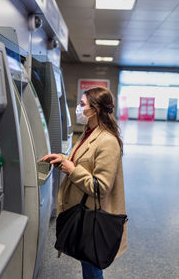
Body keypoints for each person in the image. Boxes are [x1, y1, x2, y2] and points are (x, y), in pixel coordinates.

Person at [41, 86, 127, 279]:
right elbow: (83, 162)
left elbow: (101, 187)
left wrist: (72, 170)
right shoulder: (90, 132)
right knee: (88, 263)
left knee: (92, 265)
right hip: (86, 212)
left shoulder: (107, 141)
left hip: (93, 216)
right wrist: (63, 159)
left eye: (82, 104)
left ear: (95, 109)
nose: (78, 108)